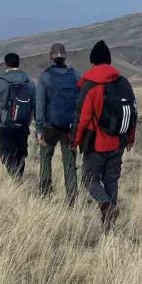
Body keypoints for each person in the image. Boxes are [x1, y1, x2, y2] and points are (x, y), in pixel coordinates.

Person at [72, 40, 137, 230]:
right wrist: (130, 139)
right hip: (118, 142)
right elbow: (133, 111)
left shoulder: (91, 85)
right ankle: (108, 227)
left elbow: (82, 118)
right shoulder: (123, 82)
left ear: (93, 62)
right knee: (111, 181)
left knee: (88, 179)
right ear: (109, 61)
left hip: (96, 144)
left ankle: (106, 205)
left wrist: (74, 141)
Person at [35, 43, 79, 202]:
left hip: (49, 126)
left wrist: (39, 129)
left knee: (45, 157)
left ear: (51, 57)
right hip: (69, 127)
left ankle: (45, 194)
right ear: (64, 56)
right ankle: (72, 197)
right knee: (69, 162)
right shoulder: (75, 75)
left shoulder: (45, 76)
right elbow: (80, 101)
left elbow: (39, 104)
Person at [0, 53, 35, 178]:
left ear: (6, 64)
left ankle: (14, 180)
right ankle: (18, 178)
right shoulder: (29, 83)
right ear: (18, 63)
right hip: (23, 124)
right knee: (20, 155)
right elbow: (35, 103)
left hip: (6, 125)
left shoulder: (1, 82)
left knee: (7, 155)